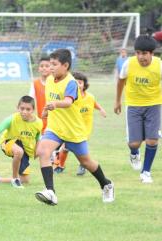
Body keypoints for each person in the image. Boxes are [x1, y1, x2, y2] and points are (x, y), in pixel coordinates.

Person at [34, 49, 114, 205]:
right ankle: (50, 192)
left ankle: (106, 184)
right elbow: (50, 99)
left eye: (54, 64)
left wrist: (54, 104)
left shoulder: (71, 82)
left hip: (73, 131)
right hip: (55, 128)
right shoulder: (50, 80)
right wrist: (45, 110)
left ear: (65, 65)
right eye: (50, 64)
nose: (51, 67)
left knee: (86, 162)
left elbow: (68, 102)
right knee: (42, 151)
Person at [114, 35, 161, 183]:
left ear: (152, 53)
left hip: (154, 105)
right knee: (134, 143)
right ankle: (134, 153)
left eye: (145, 53)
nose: (141, 57)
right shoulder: (129, 63)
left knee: (152, 140)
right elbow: (121, 81)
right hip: (133, 105)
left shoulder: (159, 65)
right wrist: (117, 101)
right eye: (138, 53)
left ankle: (145, 172)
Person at [0, 96, 42, 188]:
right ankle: (15, 179)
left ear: (33, 110)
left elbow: (38, 137)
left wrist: (36, 150)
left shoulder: (38, 122)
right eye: (22, 108)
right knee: (18, 151)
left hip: (25, 149)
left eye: (28, 109)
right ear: (17, 108)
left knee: (25, 180)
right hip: (7, 143)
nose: (24, 111)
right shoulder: (12, 119)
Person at [53, 72, 107, 175]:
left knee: (81, 150)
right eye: (75, 82)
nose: (77, 85)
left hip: (85, 129)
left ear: (85, 84)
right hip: (72, 127)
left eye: (80, 82)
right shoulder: (70, 98)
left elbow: (94, 103)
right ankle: (60, 165)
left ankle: (82, 166)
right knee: (65, 148)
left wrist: (101, 109)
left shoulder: (90, 97)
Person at [29, 56, 51, 133]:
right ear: (38, 68)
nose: (44, 68)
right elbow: (29, 100)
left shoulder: (55, 83)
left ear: (51, 68)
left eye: (47, 66)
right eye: (42, 66)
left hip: (55, 121)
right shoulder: (35, 83)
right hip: (41, 120)